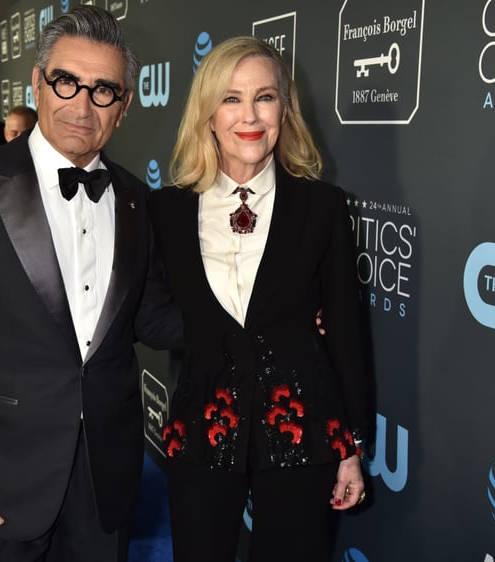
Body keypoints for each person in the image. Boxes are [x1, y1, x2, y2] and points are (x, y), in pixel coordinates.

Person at [0, 6, 181, 562]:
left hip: (106, 479)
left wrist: (265, 309)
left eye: (104, 90)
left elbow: (150, 317)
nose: (83, 104)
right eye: (66, 82)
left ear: (123, 107)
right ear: (37, 83)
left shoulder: (134, 198)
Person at [148, 36, 375, 562]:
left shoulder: (322, 206)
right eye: (231, 99)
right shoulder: (165, 211)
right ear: (207, 113)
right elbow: (146, 313)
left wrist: (349, 449)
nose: (249, 115)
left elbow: (345, 331)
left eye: (265, 97)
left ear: (284, 109)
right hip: (202, 427)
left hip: (302, 431)